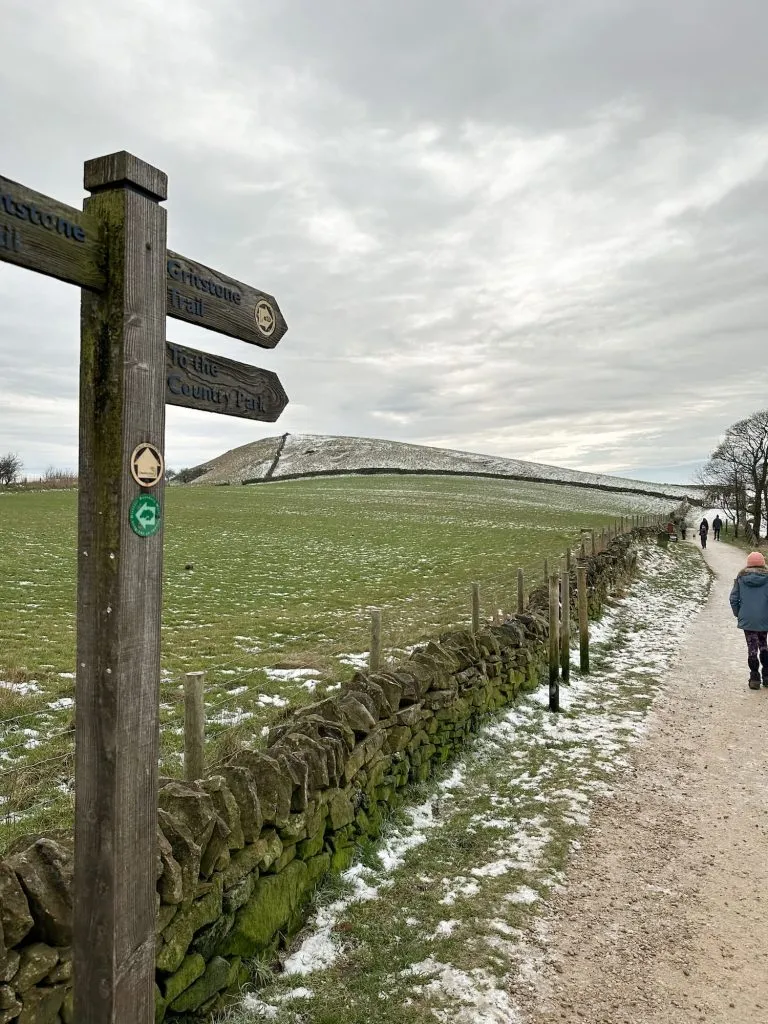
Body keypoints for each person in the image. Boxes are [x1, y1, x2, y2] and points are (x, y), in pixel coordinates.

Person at [729, 551, 768, 689]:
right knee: (763, 644)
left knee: (752, 647)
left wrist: (739, 613)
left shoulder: (740, 578)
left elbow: (733, 598)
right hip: (765, 618)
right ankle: (767, 676)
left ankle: (754, 678)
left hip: (748, 619)